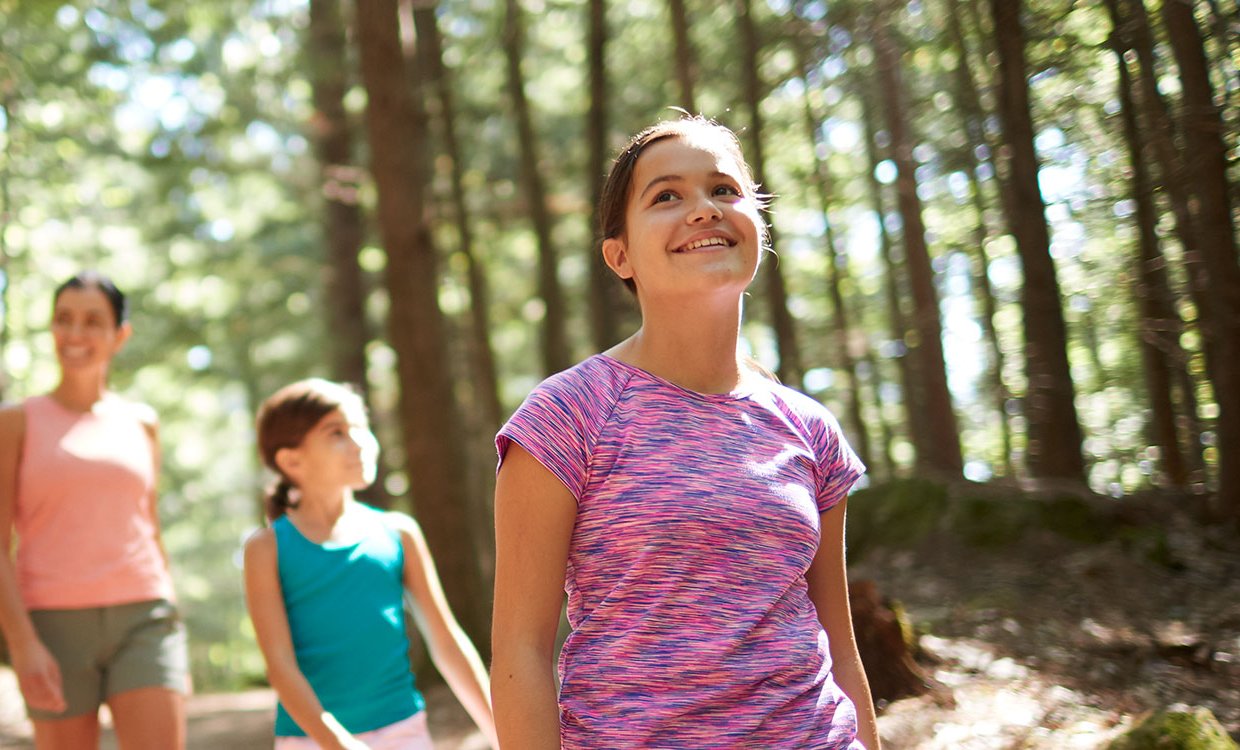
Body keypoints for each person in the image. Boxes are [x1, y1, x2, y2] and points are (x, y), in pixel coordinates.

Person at [490, 116, 880, 749]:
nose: (703, 210)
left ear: (760, 224)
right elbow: (520, 652)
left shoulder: (810, 427)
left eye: (724, 190)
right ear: (620, 255)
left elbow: (837, 634)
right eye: (666, 196)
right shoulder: (567, 414)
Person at [0, 272, 188, 750]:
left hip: (144, 616)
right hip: (53, 624)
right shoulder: (15, 421)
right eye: (64, 320)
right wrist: (22, 642)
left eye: (93, 321)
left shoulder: (142, 422)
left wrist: (170, 607)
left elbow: (148, 526)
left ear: (120, 335)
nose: (75, 334)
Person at [242, 379, 498, 750]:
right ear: (291, 460)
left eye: (361, 428)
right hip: (310, 739)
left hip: (403, 731)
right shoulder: (266, 549)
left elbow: (447, 643)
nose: (360, 442)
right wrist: (338, 743)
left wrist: (501, 731)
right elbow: (279, 665)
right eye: (337, 433)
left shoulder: (399, 532)